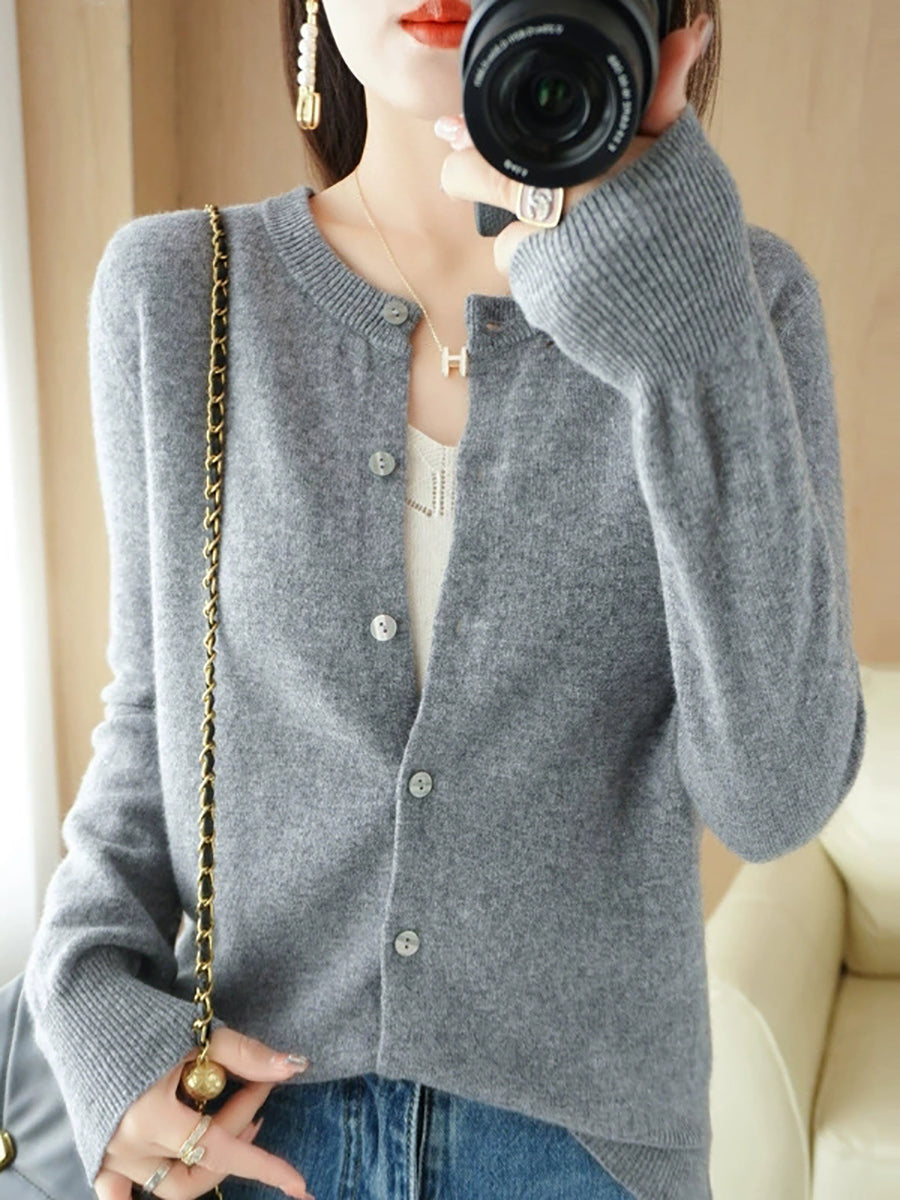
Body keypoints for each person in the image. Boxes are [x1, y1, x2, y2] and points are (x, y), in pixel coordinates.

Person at [22, 1, 867, 1199]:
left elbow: (775, 794)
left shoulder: (740, 305)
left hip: (584, 1153)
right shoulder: (179, 289)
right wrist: (87, 1002)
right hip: (252, 1134)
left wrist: (679, 335)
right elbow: (156, 717)